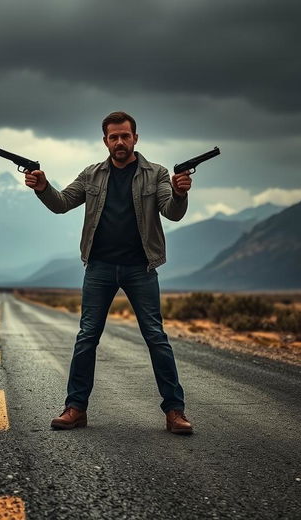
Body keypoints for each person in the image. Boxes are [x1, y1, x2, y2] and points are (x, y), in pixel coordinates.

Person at [24, 111, 194, 434]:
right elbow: (61, 203)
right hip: (99, 267)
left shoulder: (155, 174)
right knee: (87, 338)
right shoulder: (92, 175)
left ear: (135, 138)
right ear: (105, 141)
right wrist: (42, 187)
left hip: (140, 268)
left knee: (156, 338)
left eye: (125, 136)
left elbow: (171, 212)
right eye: (113, 137)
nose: (120, 142)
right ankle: (75, 408)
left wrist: (180, 192)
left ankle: (175, 412)